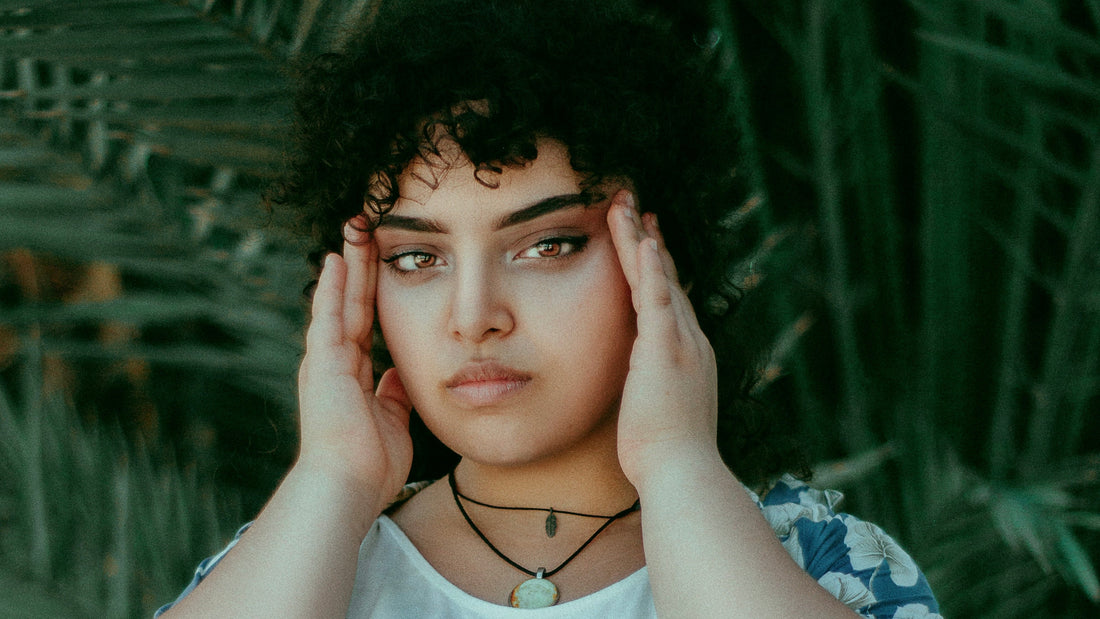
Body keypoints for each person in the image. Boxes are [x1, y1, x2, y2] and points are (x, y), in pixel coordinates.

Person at [158, 0, 940, 616]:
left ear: (661, 256)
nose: (473, 315)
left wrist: (677, 464)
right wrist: (332, 476)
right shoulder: (303, 560)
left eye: (548, 245)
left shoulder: (825, 561)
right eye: (417, 257)